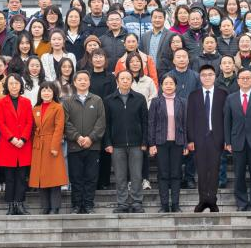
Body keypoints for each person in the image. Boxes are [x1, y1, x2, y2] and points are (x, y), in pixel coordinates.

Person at [224, 68, 251, 211]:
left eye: (248, 78)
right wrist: (228, 141)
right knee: (239, 175)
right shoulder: (230, 98)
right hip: (237, 141)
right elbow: (227, 121)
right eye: (242, 78)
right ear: (237, 81)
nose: (245, 80)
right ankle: (242, 203)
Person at [104, 70, 148, 213]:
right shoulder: (109, 100)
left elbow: (145, 122)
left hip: (136, 144)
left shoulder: (139, 98)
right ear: (117, 81)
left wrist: (144, 141)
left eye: (128, 78)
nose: (125, 81)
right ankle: (122, 203)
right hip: (117, 145)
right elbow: (106, 124)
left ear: (131, 81)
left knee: (136, 175)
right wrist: (108, 143)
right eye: (122, 78)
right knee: (120, 176)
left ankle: (137, 202)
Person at [62, 71, 106, 214]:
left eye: (85, 79)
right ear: (74, 83)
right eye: (79, 79)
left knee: (91, 177)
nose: (82, 82)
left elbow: (101, 122)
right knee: (76, 178)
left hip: (93, 146)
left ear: (89, 82)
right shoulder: (68, 101)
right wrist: (77, 137)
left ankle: (88, 205)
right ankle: (76, 205)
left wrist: (90, 138)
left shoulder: (97, 100)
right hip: (74, 146)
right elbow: (66, 122)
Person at [187, 64, 228, 212]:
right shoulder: (194, 95)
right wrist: (190, 139)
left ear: (215, 76)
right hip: (199, 138)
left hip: (217, 137)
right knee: (202, 170)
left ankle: (212, 201)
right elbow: (189, 118)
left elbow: (226, 118)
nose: (207, 77)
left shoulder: (223, 94)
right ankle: (202, 200)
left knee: (215, 170)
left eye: (210, 74)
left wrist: (226, 139)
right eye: (204, 75)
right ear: (200, 77)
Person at [148, 74, 188, 213]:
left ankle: (175, 205)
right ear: (161, 86)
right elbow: (151, 123)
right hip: (161, 143)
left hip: (178, 142)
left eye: (171, 83)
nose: (169, 86)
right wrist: (151, 144)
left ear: (176, 85)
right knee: (163, 174)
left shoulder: (182, 102)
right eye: (166, 83)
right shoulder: (156, 102)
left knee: (176, 174)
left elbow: (185, 124)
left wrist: (185, 144)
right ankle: (164, 205)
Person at [0, 74, 34, 215]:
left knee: (22, 177)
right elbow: (0, 123)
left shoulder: (26, 102)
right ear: (7, 85)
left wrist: (23, 139)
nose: (14, 86)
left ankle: (20, 204)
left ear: (20, 85)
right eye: (11, 83)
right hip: (8, 145)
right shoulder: (1, 102)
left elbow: (29, 122)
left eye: (16, 83)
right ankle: (11, 205)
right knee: (10, 178)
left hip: (23, 145)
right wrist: (12, 138)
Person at [28, 81, 67, 215]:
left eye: (49, 90)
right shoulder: (36, 108)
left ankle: (55, 206)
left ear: (54, 93)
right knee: (41, 177)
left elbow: (59, 128)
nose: (46, 93)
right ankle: (45, 206)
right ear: (40, 93)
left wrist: (55, 146)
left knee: (54, 177)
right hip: (38, 145)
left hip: (51, 144)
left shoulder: (58, 107)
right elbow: (33, 127)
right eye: (44, 90)